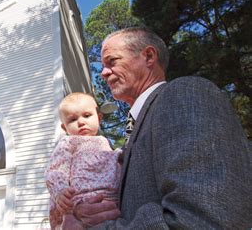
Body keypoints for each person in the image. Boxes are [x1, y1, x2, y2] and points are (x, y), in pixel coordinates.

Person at [70, 27, 251, 228]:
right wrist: (85, 212)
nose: (103, 73)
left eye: (112, 61)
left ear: (148, 56)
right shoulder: (138, 128)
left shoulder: (186, 94)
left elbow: (201, 220)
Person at [45, 93, 122, 229]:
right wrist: (60, 190)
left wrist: (120, 155)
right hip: (79, 200)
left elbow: (113, 161)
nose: (81, 122)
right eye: (73, 119)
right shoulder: (69, 142)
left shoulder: (104, 142)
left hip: (111, 200)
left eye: (87, 115)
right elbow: (56, 169)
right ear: (65, 128)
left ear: (99, 118)